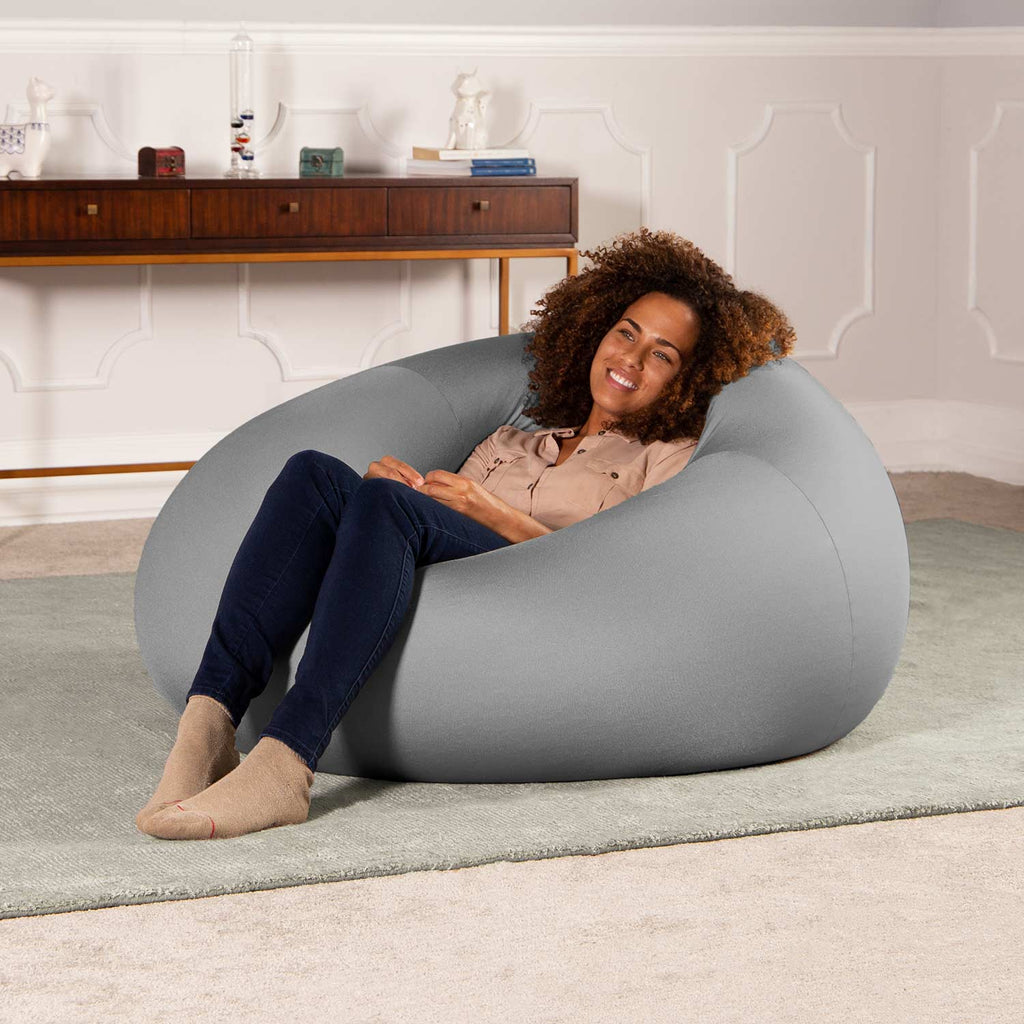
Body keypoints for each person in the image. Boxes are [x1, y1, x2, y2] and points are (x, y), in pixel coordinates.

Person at [135, 227, 795, 841]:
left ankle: (287, 761)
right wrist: (392, 490)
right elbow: (430, 521)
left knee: (387, 506)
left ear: (686, 380)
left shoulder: (665, 458)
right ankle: (209, 724)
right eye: (626, 333)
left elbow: (624, 567)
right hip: (444, 564)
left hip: (544, 585)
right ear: (598, 331)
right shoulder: (513, 439)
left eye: (662, 355)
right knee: (315, 475)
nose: (632, 358)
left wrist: (488, 510)